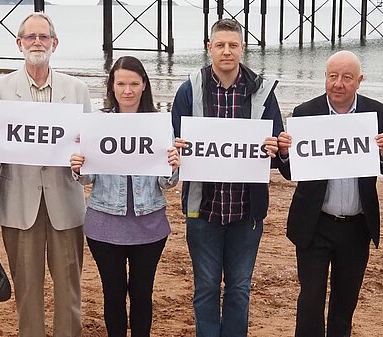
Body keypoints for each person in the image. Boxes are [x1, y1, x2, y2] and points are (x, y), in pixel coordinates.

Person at [0, 13, 91, 337]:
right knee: (27, 290)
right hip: (18, 203)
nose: (37, 42)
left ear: (55, 43)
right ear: (19, 43)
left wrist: (84, 154)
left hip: (65, 203)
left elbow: (88, 153)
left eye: (43, 37)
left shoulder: (77, 89)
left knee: (69, 289)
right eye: (31, 37)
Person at [170, 18, 284, 337]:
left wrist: (274, 147)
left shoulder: (262, 91)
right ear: (209, 48)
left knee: (239, 288)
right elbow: (172, 140)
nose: (226, 51)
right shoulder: (189, 89)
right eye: (219, 45)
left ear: (242, 48)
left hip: (246, 211)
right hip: (202, 209)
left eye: (233, 45)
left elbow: (277, 144)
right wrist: (176, 147)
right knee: (205, 287)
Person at [277, 50, 383, 337]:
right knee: (310, 301)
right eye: (332, 76)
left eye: (346, 77)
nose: (338, 84)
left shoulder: (377, 112)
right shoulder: (305, 113)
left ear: (360, 80)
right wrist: (283, 154)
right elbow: (293, 173)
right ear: (325, 78)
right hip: (315, 224)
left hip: (356, 226)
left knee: (345, 303)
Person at [69, 56, 181, 337]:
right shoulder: (97, 123)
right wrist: (78, 167)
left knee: (142, 294)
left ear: (144, 85)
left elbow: (166, 183)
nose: (127, 90)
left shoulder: (159, 124)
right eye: (121, 83)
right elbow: (87, 177)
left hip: (150, 224)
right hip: (104, 225)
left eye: (134, 83)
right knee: (114, 294)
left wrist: (174, 165)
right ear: (112, 86)